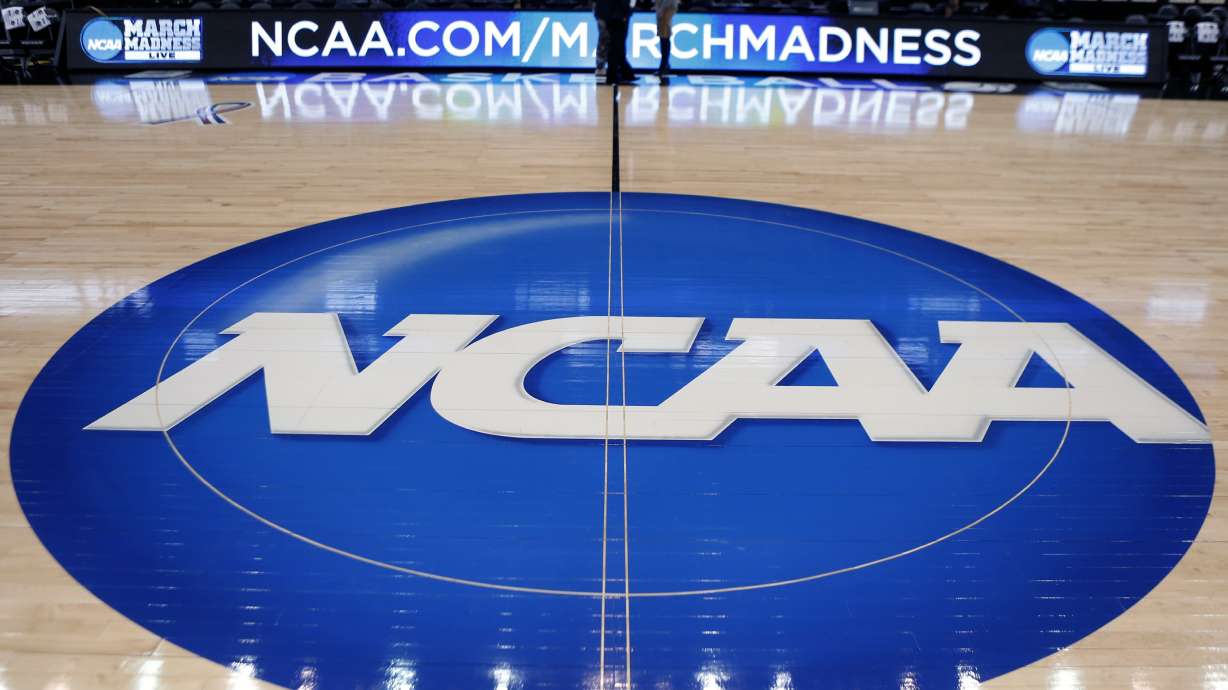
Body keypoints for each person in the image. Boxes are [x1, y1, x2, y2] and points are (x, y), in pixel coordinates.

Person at [594, 0, 634, 84]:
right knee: (613, 44)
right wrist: (627, 13)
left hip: (610, 14)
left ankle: (624, 73)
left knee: (615, 45)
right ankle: (618, 73)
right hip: (616, 16)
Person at [655, 0, 677, 76]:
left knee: (665, 38)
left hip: (666, 8)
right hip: (663, 9)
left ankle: (664, 66)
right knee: (663, 38)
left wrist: (661, 11)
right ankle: (665, 65)